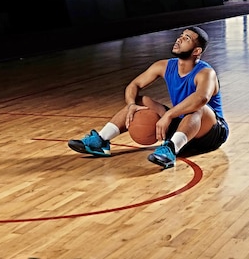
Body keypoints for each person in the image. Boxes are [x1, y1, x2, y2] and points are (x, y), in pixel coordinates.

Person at [68, 26, 228, 169]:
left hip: (210, 132)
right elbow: (134, 85)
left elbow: (200, 99)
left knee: (198, 108)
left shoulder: (206, 73)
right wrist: (131, 105)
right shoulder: (164, 65)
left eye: (186, 38)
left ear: (196, 51)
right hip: (182, 123)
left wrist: (168, 115)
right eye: (180, 35)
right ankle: (101, 141)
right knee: (139, 100)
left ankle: (170, 150)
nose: (179, 39)